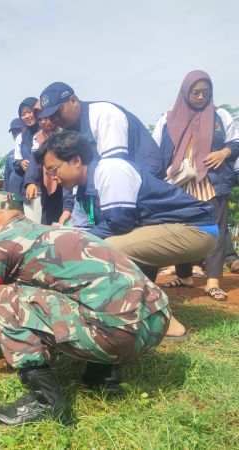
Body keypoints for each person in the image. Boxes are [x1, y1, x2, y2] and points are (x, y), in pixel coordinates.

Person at [0, 192, 171, 426]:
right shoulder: (54, 231)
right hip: (156, 324)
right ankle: (101, 375)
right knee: (83, 291)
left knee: (1, 298)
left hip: (114, 336)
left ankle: (44, 401)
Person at [39, 130, 219, 339]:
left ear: (76, 160)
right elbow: (95, 227)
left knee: (106, 249)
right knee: (98, 243)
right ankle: (129, 311)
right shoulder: (83, 188)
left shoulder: (110, 170)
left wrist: (72, 240)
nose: (53, 177)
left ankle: (163, 320)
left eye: (53, 169)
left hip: (194, 228)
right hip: (167, 228)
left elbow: (119, 223)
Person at [152, 70, 239, 300]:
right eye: (195, 92)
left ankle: (212, 281)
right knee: (181, 229)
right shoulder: (166, 118)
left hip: (212, 181)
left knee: (215, 229)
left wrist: (223, 152)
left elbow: (236, 141)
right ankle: (185, 275)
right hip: (178, 184)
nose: (200, 97)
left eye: (205, 92)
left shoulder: (221, 115)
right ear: (185, 92)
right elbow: (155, 152)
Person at [36, 82, 165, 226]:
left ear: (73, 101)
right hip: (113, 189)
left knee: (117, 233)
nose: (55, 120)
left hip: (143, 185)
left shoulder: (104, 114)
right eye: (50, 117)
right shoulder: (67, 132)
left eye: (57, 112)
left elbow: (115, 170)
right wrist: (69, 208)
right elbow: (74, 175)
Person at [15, 97, 43, 223]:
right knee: (33, 227)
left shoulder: (46, 130)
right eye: (23, 114)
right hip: (29, 189)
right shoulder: (20, 137)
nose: (27, 116)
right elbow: (16, 163)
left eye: (29, 111)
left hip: (48, 186)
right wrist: (21, 164)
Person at [3, 118, 25, 195]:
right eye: (14, 133)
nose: (16, 135)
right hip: (14, 199)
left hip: (29, 197)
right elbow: (6, 179)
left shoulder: (32, 150)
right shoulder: (10, 155)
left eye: (19, 131)